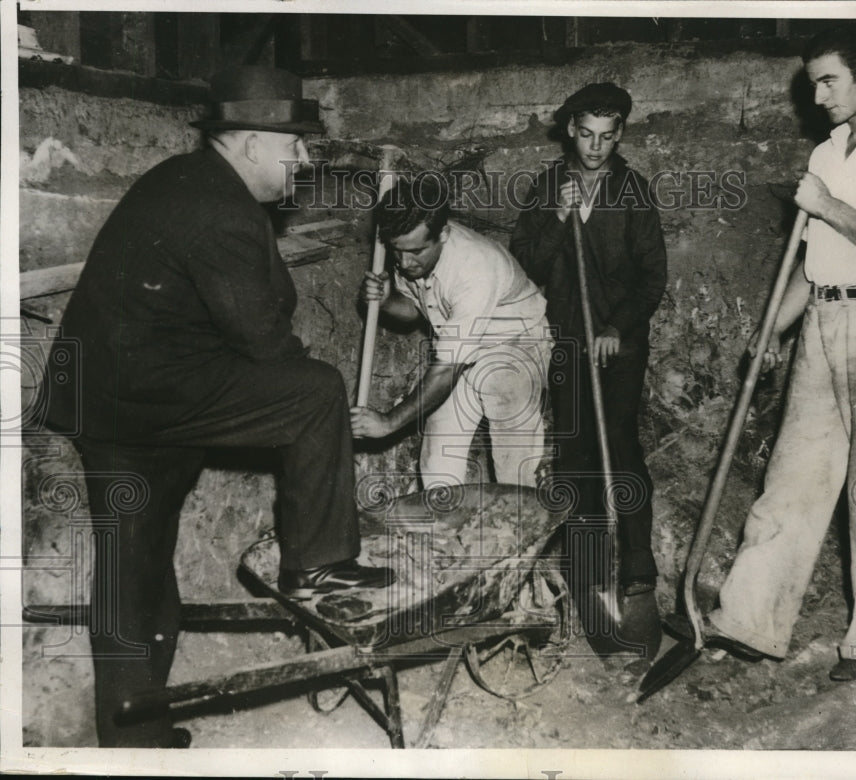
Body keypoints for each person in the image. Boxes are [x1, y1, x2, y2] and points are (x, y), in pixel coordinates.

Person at [42, 66, 394, 748]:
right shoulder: (223, 212)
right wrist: (311, 419)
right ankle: (317, 560)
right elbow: (264, 342)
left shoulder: (182, 176)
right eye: (294, 148)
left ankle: (132, 734)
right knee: (316, 390)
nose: (301, 163)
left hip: (104, 400)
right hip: (148, 400)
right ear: (251, 142)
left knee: (134, 568)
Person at [672, 25, 856, 681]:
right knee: (791, 479)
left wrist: (829, 204)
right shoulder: (826, 152)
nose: (818, 94)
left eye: (829, 79)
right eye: (811, 82)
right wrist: (772, 330)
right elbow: (813, 261)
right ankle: (749, 623)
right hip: (821, 320)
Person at [509, 83, 667, 598]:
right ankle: (588, 567)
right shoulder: (547, 186)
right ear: (570, 131)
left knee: (619, 445)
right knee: (575, 454)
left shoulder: (635, 192)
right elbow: (525, 265)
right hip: (564, 340)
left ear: (619, 134)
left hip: (619, 345)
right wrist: (557, 218)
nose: (595, 147)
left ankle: (638, 569)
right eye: (585, 135)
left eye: (606, 136)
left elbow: (652, 277)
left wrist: (615, 329)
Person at [351, 175, 551, 489]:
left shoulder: (474, 267)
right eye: (397, 251)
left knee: (514, 459)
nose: (404, 262)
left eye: (415, 251)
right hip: (462, 351)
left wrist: (388, 422)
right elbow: (416, 310)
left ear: (443, 233)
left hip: (516, 346)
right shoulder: (410, 253)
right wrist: (387, 299)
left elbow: (446, 370)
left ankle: (520, 524)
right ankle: (441, 529)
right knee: (438, 455)